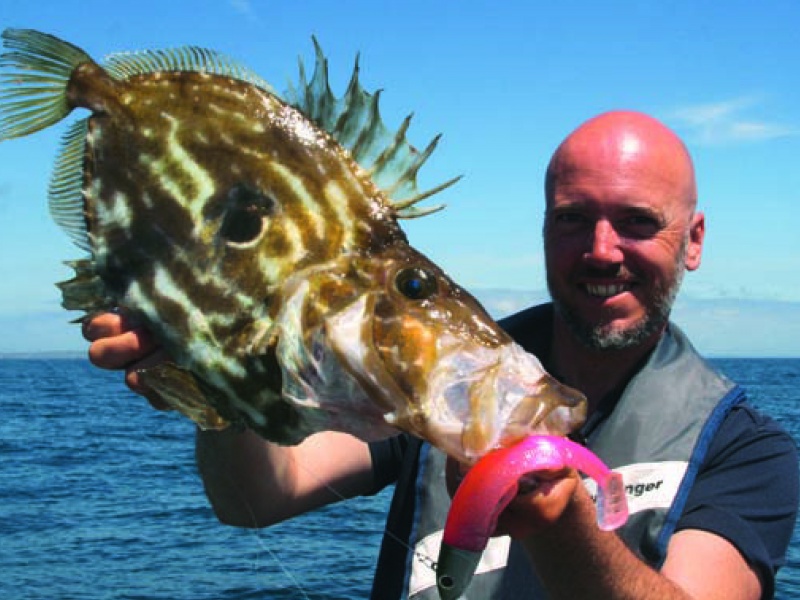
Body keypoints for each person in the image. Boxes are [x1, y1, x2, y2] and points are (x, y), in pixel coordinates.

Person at [83, 110, 798, 599]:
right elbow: (257, 498)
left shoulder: (746, 449)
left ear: (694, 240)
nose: (601, 250)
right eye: (573, 219)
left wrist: (563, 523)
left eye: (637, 223)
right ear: (545, 230)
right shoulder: (438, 376)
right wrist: (219, 383)